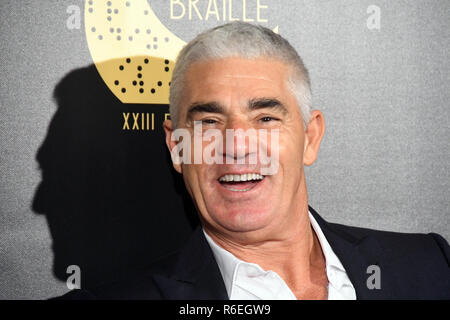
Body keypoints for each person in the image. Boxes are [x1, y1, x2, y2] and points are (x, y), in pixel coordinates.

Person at [60, 21, 449, 300]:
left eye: (265, 119)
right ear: (177, 147)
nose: (238, 146)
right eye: (209, 122)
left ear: (310, 138)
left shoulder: (431, 266)